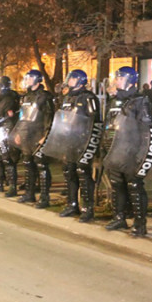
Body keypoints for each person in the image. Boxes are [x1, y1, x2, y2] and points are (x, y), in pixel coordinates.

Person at [103, 67, 152, 236]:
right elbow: (108, 123)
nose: (117, 80)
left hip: (131, 150)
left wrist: (141, 155)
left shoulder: (140, 100)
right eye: (117, 78)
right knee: (117, 184)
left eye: (121, 78)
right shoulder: (113, 100)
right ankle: (119, 217)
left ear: (130, 80)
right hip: (114, 149)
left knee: (134, 186)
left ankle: (140, 224)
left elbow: (146, 129)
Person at [57, 70, 101, 221]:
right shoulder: (68, 97)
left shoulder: (88, 98)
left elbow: (94, 121)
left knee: (83, 174)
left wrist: (90, 142)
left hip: (83, 141)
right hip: (69, 140)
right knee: (69, 172)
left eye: (72, 78)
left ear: (80, 80)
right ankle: (72, 204)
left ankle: (88, 209)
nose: (69, 80)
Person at [13, 69, 55, 207]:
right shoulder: (26, 97)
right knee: (28, 165)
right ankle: (29, 194)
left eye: (30, 78)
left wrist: (45, 135)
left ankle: (44, 198)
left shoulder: (44, 97)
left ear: (37, 80)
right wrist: (18, 132)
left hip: (38, 135)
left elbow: (50, 117)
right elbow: (22, 117)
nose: (27, 80)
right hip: (26, 135)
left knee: (41, 166)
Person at [0, 76, 21, 196]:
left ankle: (12, 186)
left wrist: (8, 131)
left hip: (5, 131)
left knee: (7, 159)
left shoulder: (9, 99)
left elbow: (10, 117)